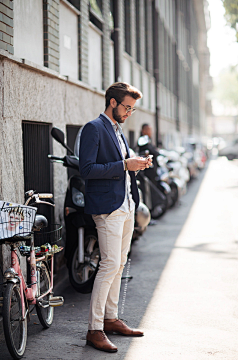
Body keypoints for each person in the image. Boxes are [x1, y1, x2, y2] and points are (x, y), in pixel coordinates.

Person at [79, 82, 152, 353]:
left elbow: (123, 166)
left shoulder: (118, 130)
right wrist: (124, 165)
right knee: (109, 265)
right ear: (112, 102)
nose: (129, 112)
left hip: (126, 205)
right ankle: (94, 329)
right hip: (107, 207)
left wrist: (138, 163)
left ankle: (110, 319)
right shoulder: (93, 128)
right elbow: (86, 169)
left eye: (132, 108)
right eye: (127, 107)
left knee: (119, 264)